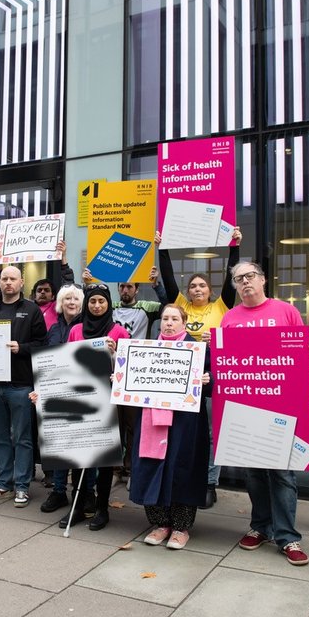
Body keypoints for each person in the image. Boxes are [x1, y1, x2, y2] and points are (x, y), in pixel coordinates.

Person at [220, 260, 309, 566]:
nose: (245, 282)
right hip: (246, 408)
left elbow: (301, 357)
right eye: (238, 279)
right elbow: (226, 366)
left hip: (282, 406)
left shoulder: (286, 312)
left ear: (262, 280)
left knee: (283, 474)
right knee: (254, 474)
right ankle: (260, 527)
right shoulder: (229, 319)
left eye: (250, 276)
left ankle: (288, 536)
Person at [157, 227, 242, 508]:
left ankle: (209, 482)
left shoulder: (222, 307)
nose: (197, 289)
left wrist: (234, 247)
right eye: (193, 286)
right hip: (178, 382)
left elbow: (232, 280)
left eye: (202, 286)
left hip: (209, 378)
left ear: (210, 290)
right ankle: (185, 478)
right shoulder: (180, 307)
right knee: (181, 432)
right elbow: (168, 280)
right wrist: (163, 248)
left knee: (210, 432)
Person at [130, 304, 211, 549]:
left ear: (184, 323)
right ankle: (160, 524)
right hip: (151, 422)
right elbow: (133, 383)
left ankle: (180, 527)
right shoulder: (147, 349)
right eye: (165, 318)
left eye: (174, 318)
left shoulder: (198, 350)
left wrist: (207, 380)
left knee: (182, 470)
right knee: (151, 466)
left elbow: (212, 383)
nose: (168, 323)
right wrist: (122, 379)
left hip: (185, 423)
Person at [83, 268, 168, 485]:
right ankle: (114, 470)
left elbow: (167, 306)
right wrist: (86, 284)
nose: (125, 290)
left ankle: (130, 470)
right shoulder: (110, 308)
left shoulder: (146, 308)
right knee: (116, 423)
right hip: (111, 371)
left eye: (130, 286)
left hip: (136, 371)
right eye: (122, 286)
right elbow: (90, 307)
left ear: (137, 290)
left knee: (133, 424)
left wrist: (156, 285)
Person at [0, 265, 48, 507]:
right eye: (4, 278)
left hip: (21, 385)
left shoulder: (32, 310)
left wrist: (22, 348)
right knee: (0, 437)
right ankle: (3, 482)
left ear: (21, 282)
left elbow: (43, 345)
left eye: (12, 279)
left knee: (23, 439)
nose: (8, 282)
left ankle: (23, 486)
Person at [61, 283, 131, 530]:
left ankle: (102, 508)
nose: (97, 306)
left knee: (103, 460)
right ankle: (78, 506)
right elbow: (65, 363)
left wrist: (115, 355)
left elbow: (130, 370)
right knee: (79, 456)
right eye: (93, 302)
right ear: (86, 304)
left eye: (102, 301)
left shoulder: (120, 332)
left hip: (108, 403)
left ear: (108, 304)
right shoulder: (76, 330)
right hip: (81, 400)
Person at [39, 284, 85, 514]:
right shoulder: (54, 329)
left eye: (76, 298)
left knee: (82, 446)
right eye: (67, 298)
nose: (71, 302)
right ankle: (58, 491)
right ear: (60, 302)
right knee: (58, 444)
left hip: (82, 393)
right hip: (56, 391)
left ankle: (85, 492)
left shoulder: (88, 327)